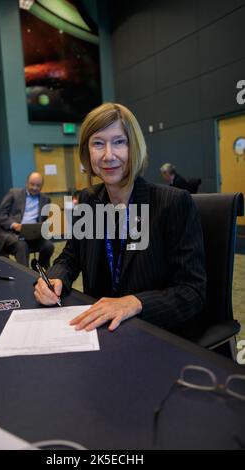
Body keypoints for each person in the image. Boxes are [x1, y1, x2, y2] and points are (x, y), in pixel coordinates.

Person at [34, 103, 206, 335]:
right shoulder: (89, 199)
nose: (108, 155)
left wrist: (135, 302)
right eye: (97, 143)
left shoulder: (172, 203)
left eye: (119, 141)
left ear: (134, 147)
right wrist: (54, 280)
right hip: (98, 329)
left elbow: (192, 291)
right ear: (87, 153)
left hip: (153, 333)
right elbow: (70, 257)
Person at [0, 172, 54, 268]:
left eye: (38, 185)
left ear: (42, 186)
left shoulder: (45, 199)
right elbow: (0, 214)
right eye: (32, 184)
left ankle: (39, 268)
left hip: (33, 234)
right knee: (22, 246)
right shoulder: (14, 193)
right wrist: (14, 225)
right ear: (27, 183)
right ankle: (25, 275)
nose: (35, 188)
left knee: (48, 246)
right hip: (13, 233)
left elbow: (44, 219)